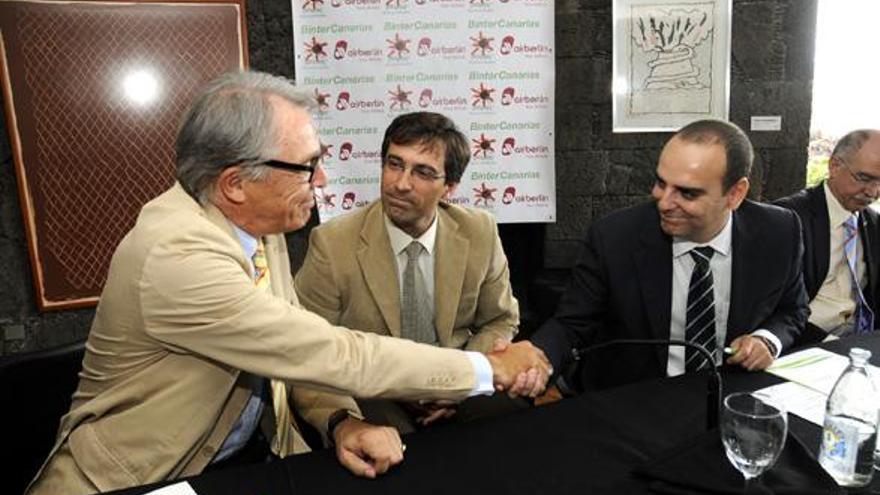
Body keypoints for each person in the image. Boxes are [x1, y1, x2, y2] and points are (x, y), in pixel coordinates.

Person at [26, 71, 550, 495]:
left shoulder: (260, 223)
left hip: (249, 457)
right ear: (236, 183)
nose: (322, 181)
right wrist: (489, 368)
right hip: (140, 478)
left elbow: (293, 354)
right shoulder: (178, 257)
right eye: (308, 166)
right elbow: (333, 351)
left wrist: (341, 424)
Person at [528, 119, 808, 391]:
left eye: (687, 193)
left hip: (731, 391)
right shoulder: (614, 238)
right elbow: (572, 323)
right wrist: (537, 361)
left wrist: (767, 340)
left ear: (735, 194)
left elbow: (793, 309)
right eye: (661, 183)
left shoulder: (780, 232)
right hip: (638, 398)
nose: (664, 202)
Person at [295, 111, 526, 432]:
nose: (400, 184)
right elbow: (306, 349)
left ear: (450, 187)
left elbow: (500, 320)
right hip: (375, 393)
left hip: (458, 385)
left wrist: (456, 381)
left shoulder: (478, 231)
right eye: (394, 164)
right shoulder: (333, 243)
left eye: (423, 172)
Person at [775, 129, 880, 342]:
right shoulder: (786, 219)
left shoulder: (874, 223)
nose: (872, 192)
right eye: (864, 178)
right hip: (804, 342)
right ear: (834, 166)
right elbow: (774, 309)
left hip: (862, 340)